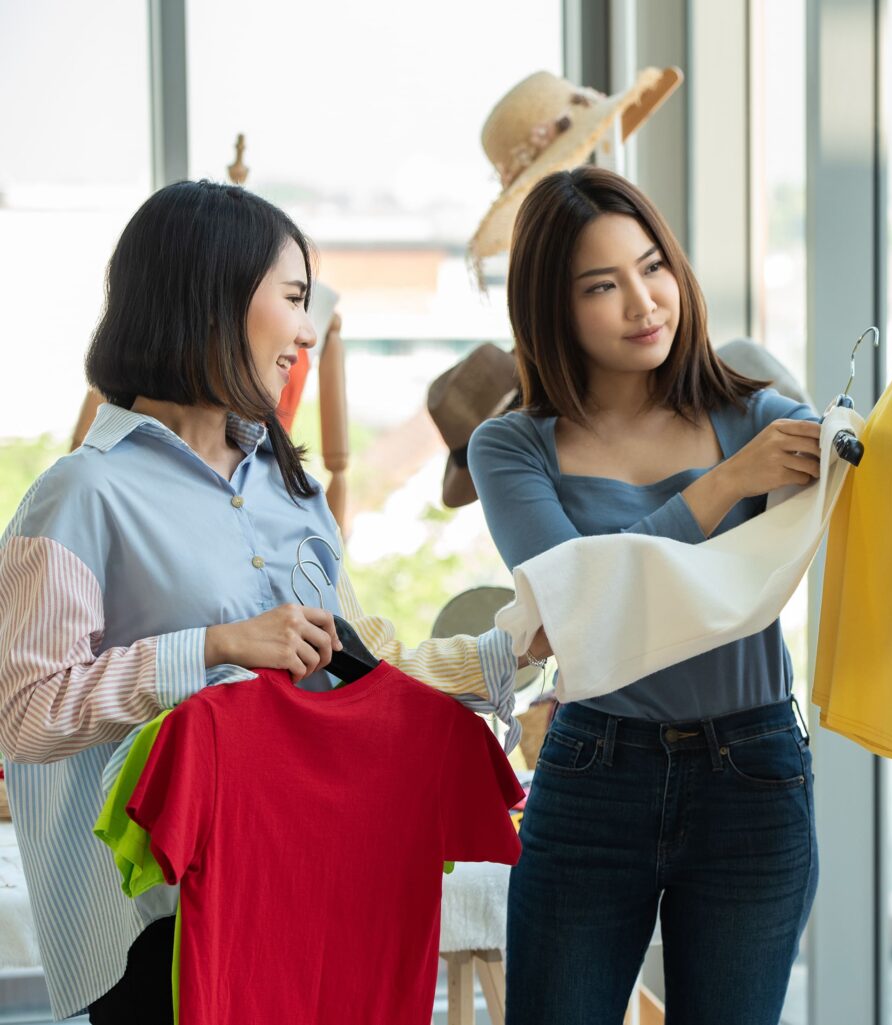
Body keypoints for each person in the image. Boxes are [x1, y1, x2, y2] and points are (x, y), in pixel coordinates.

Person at [468, 165, 892, 1023]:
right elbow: (575, 600)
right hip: (593, 771)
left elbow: (886, 485)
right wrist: (724, 486)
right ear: (552, 307)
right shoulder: (510, 448)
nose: (644, 302)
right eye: (602, 286)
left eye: (653, 267)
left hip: (750, 773)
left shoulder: (754, 413)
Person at [0, 180, 525, 1024]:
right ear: (211, 300)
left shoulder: (292, 487)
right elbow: (23, 716)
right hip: (160, 927)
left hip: (310, 889)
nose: (307, 332)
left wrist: (503, 657)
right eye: (294, 299)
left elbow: (346, 676)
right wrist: (212, 646)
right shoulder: (80, 495)